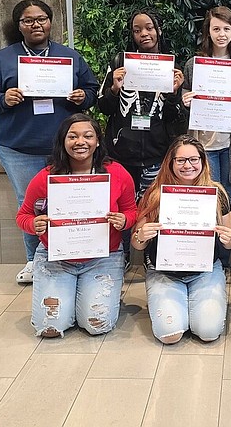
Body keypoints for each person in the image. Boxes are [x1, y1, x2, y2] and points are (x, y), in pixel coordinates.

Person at [0, 0, 99, 284]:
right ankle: (34, 260)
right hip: (19, 146)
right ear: (19, 26)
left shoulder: (68, 56)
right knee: (32, 203)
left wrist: (83, 97)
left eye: (41, 19)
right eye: (28, 20)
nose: (36, 25)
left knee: (71, 201)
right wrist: (2, 99)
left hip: (65, 147)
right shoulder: (2, 59)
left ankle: (71, 255)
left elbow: (91, 89)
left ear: (50, 22)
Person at [16, 114, 137, 337]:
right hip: (57, 257)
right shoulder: (47, 176)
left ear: (98, 141)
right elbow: (22, 215)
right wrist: (34, 224)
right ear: (63, 141)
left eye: (88, 136)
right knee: (49, 327)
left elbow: (131, 210)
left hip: (103, 257)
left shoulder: (116, 173)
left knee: (96, 325)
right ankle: (71, 300)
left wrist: (124, 220)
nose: (80, 142)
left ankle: (92, 296)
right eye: (72, 136)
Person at [97, 9, 188, 267]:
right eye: (137, 30)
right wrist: (115, 88)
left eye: (148, 27)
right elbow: (103, 107)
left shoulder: (172, 67)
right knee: (120, 206)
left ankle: (152, 255)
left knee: (154, 206)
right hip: (122, 152)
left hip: (156, 152)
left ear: (158, 29)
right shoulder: (119, 63)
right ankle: (121, 256)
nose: (143, 34)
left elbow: (175, 117)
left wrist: (173, 94)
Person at [132, 135, 231, 344]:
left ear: (203, 162)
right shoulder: (154, 193)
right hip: (164, 271)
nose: (187, 165)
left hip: (205, 270)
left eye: (193, 159)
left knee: (208, 332)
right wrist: (141, 236)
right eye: (180, 160)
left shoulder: (216, 193)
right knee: (170, 335)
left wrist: (227, 238)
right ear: (170, 163)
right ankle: (181, 306)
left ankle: (193, 306)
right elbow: (136, 242)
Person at [181, 6, 231, 260]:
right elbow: (184, 94)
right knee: (208, 195)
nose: (221, 34)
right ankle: (206, 255)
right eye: (216, 29)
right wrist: (185, 98)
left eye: (226, 29)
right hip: (203, 140)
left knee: (230, 195)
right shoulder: (194, 64)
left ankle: (224, 258)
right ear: (208, 32)